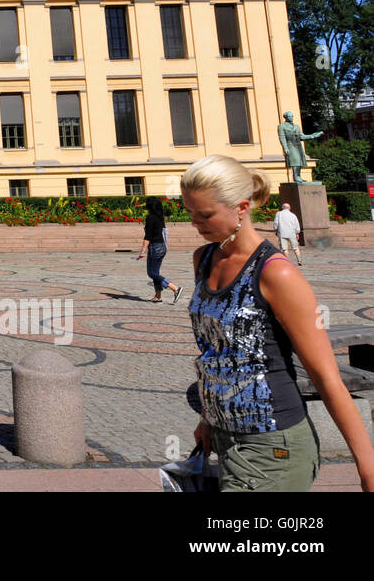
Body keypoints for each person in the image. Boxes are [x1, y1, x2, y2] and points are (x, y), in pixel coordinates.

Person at [181, 154, 374, 492]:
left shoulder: (275, 272)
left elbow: (325, 375)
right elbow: (219, 353)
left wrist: (367, 465)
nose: (195, 222)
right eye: (190, 212)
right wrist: (207, 419)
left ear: (241, 207)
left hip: (273, 445)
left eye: (205, 214)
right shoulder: (204, 259)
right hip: (225, 438)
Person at [137, 195, 180, 304]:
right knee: (155, 272)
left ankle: (175, 288)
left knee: (151, 273)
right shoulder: (160, 217)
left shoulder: (150, 217)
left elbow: (148, 236)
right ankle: (158, 296)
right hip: (162, 246)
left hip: (155, 247)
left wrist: (143, 251)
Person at [273, 201, 303, 267]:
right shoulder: (293, 215)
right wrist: (297, 233)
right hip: (292, 233)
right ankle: (299, 260)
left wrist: (275, 229)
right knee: (295, 248)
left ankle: (288, 262)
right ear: (289, 208)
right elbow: (297, 225)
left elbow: (276, 223)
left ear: (282, 207)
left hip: (282, 233)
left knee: (284, 249)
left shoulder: (279, 214)